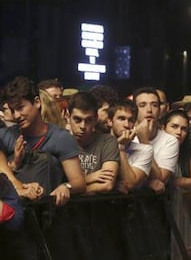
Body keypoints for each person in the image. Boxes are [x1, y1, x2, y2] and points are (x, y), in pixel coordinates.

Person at [0, 76, 86, 206]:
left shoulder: (60, 137)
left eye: (20, 107)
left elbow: (78, 182)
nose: (17, 115)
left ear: (37, 102)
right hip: (14, 216)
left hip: (48, 214)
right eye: (12, 110)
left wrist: (66, 187)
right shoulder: (5, 136)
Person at [68, 91, 119, 194]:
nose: (82, 126)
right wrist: (89, 178)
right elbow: (55, 187)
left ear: (95, 119)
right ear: (68, 117)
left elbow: (107, 184)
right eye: (77, 120)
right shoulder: (62, 142)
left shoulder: (107, 141)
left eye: (88, 120)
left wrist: (69, 190)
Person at [133, 87, 179, 193]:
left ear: (159, 110)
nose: (149, 110)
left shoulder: (170, 141)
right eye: (142, 105)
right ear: (134, 109)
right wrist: (147, 182)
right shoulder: (126, 135)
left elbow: (160, 178)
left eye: (154, 105)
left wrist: (144, 142)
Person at [108, 99, 152, 191]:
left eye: (131, 120)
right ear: (109, 121)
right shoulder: (101, 144)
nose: (127, 125)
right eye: (121, 118)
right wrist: (115, 185)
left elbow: (129, 183)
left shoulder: (145, 150)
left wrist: (121, 147)